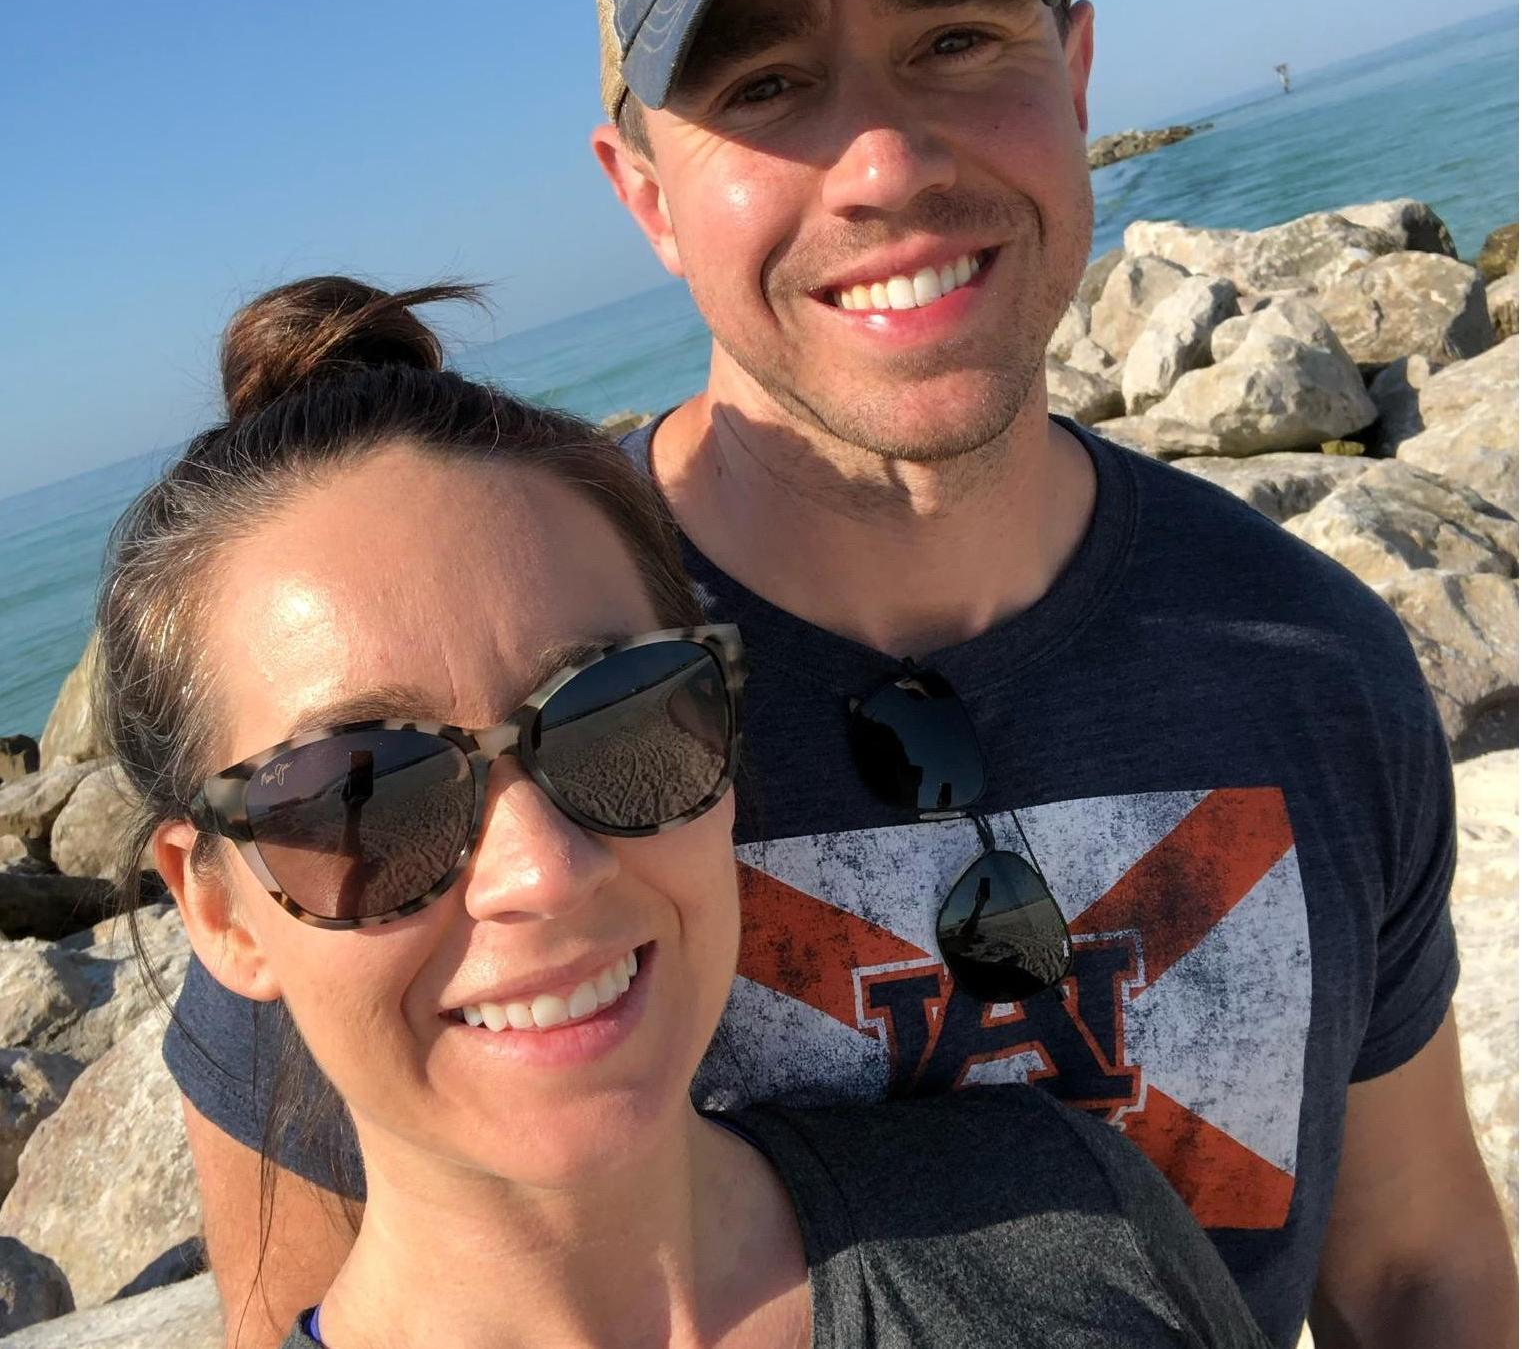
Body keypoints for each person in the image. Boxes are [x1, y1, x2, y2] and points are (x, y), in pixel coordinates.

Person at [164, 0, 1517, 1348]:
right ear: (644, 194)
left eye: (954, 41)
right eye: (764, 86)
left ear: (1075, 79)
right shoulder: (414, 769)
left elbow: (1414, 1268)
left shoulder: (1314, 663)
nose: (885, 165)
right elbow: (318, 1308)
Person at [100, 275, 1273, 1349]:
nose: (543, 868)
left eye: (614, 718)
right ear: (222, 910)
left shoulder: (1072, 1227)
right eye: (364, 792)